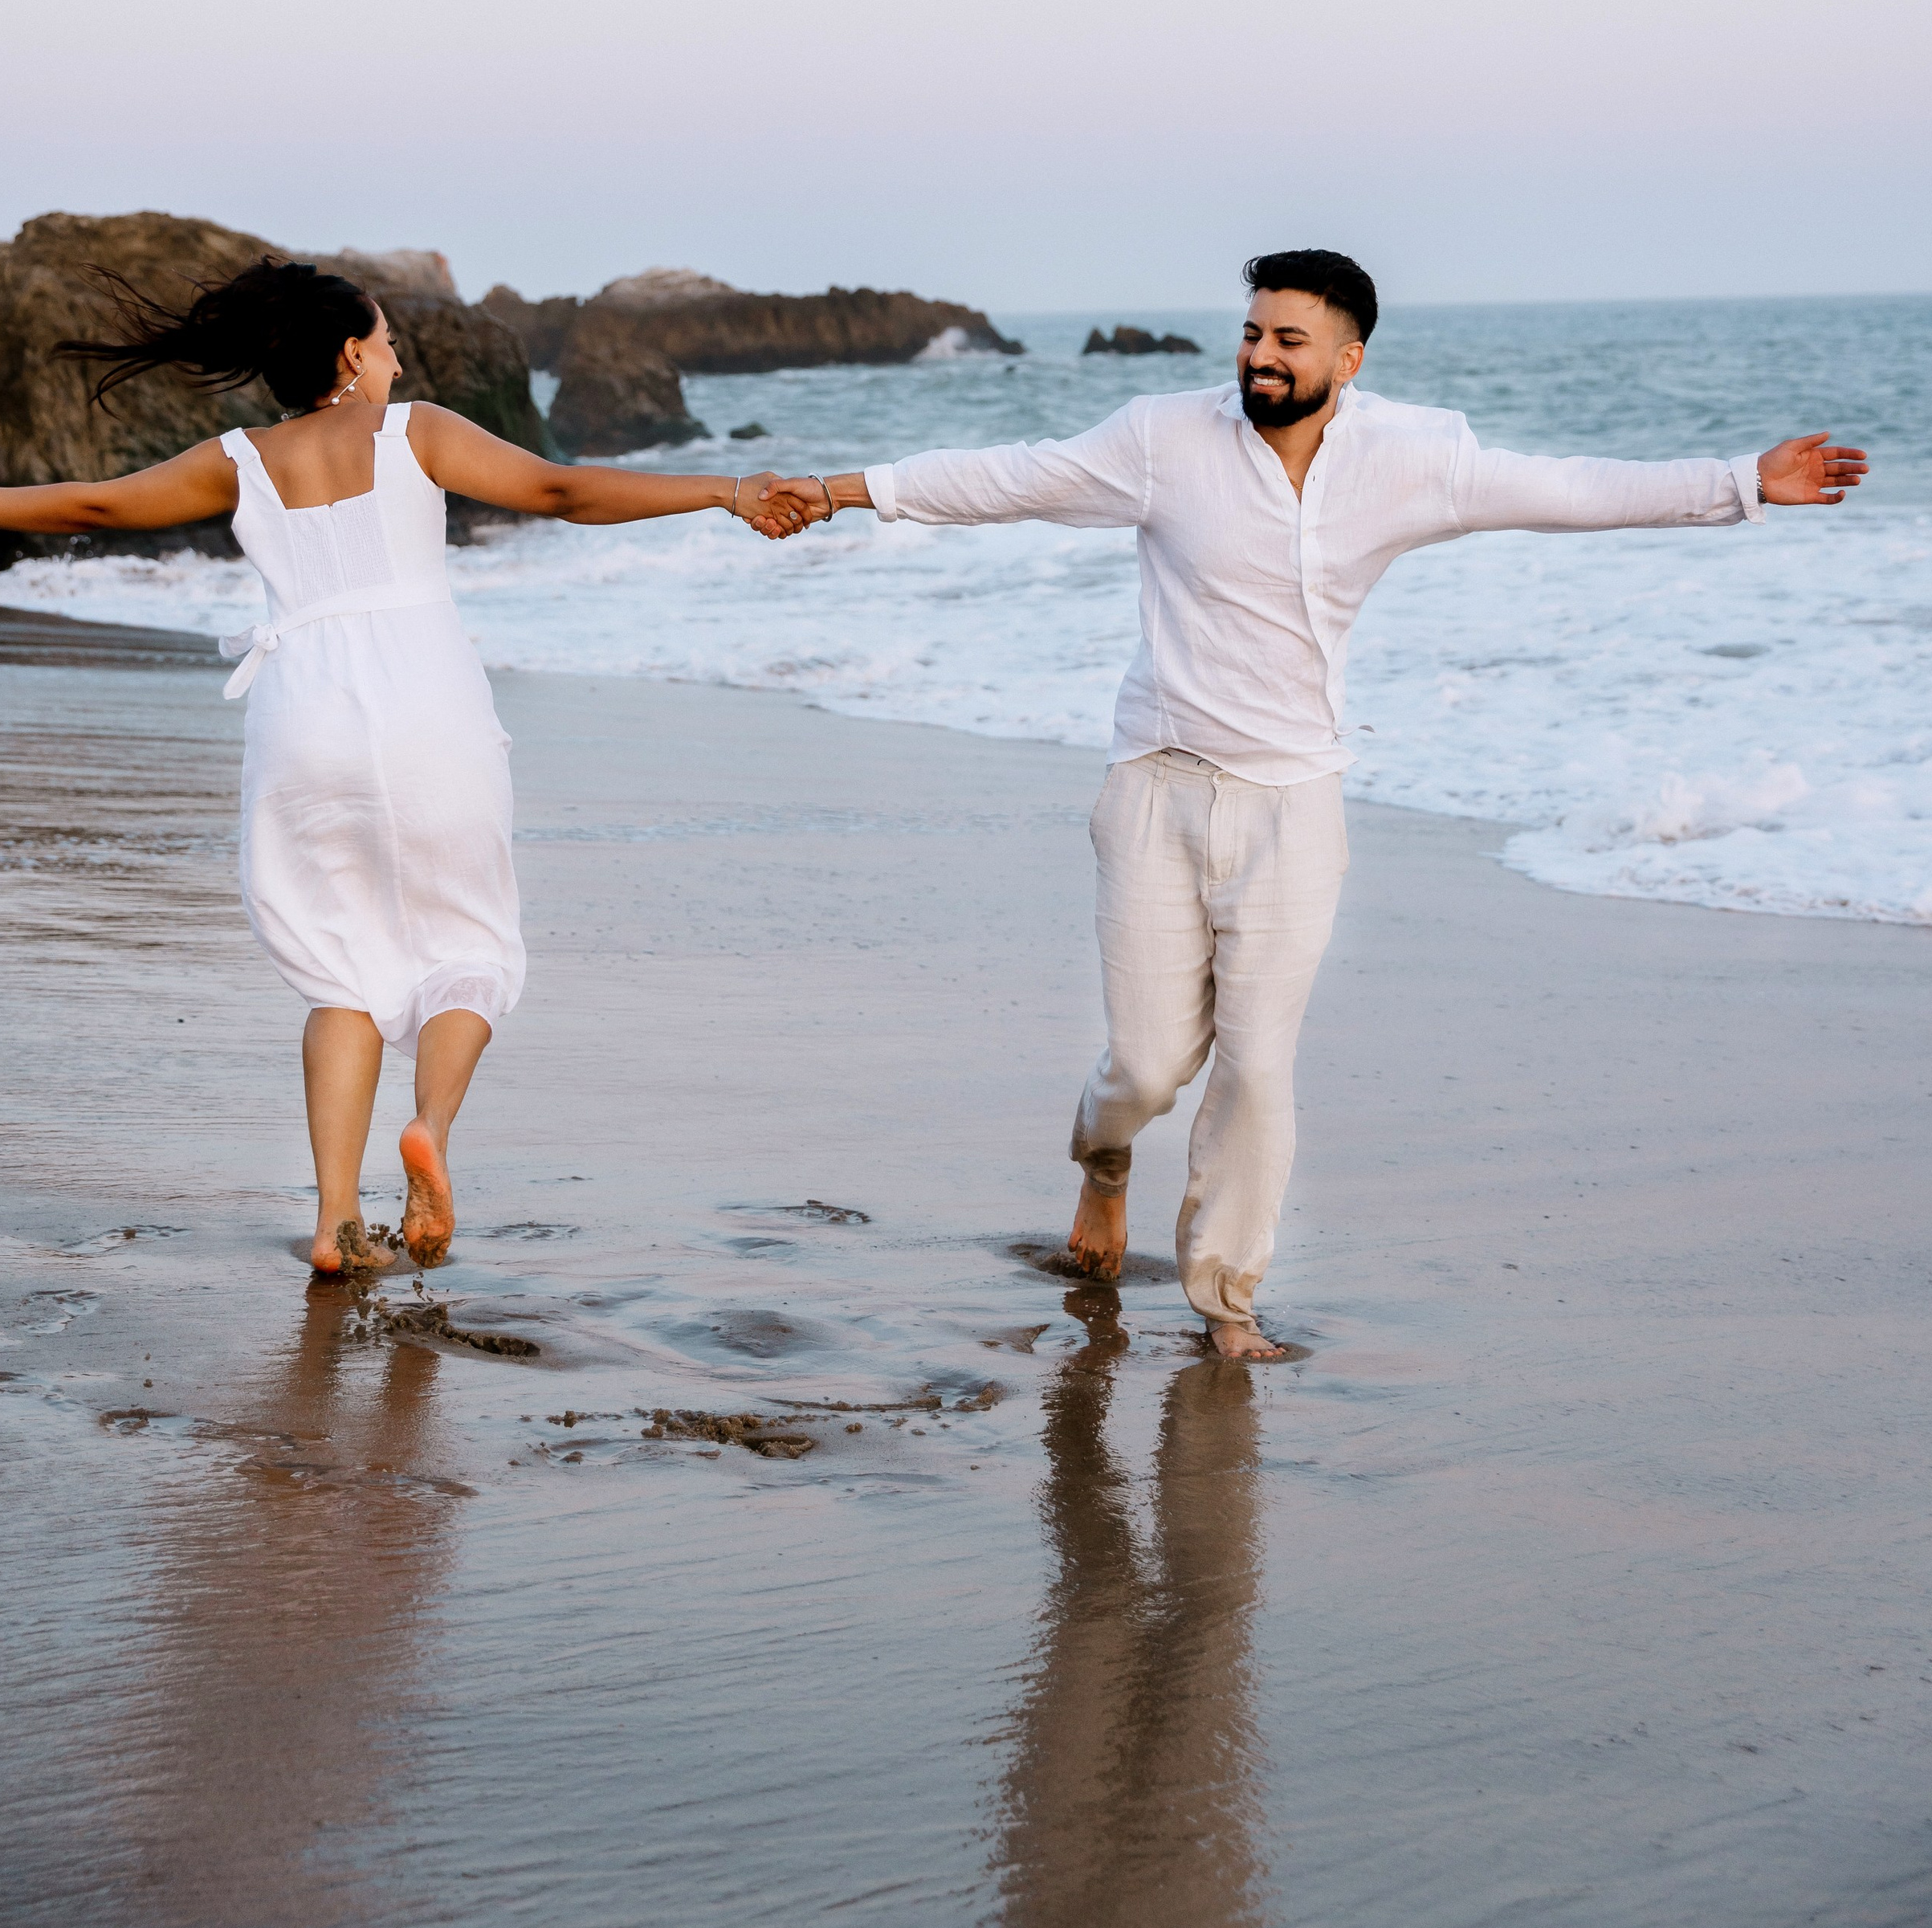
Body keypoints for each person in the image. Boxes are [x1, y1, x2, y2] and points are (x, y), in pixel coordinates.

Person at [772, 246, 1868, 1360]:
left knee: (1256, 1062)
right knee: (1147, 1066)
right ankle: (1105, 1166)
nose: (1260, 355)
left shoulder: (1415, 455)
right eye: (1252, 332)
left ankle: (1225, 1300)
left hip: (1295, 806)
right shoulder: (1164, 439)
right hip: (1156, 786)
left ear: (1348, 357)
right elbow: (1012, 475)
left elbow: (1570, 488)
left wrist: (1740, 481)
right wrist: (840, 488)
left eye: (1289, 340)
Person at [0, 258, 802, 1275]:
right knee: (470, 947)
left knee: (339, 971)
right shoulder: (418, 432)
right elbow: (560, 489)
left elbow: (86, 507)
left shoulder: (242, 458)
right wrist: (726, 488)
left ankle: (335, 1221)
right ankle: (431, 1130)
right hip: (429, 709)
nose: (398, 359)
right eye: (389, 341)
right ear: (352, 353)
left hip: (303, 720)